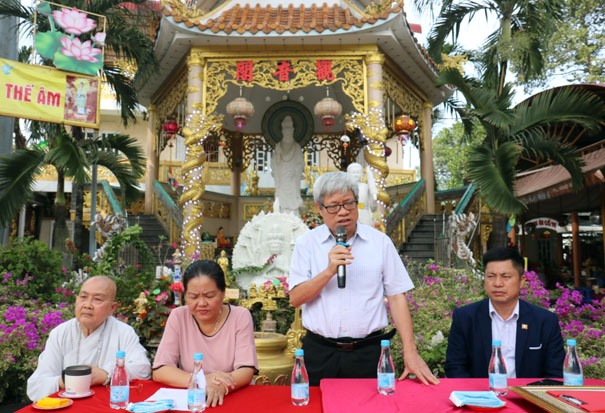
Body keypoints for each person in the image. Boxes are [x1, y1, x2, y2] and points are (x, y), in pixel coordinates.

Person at [289, 171, 439, 386]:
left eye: (349, 203)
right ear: (319, 209)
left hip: (368, 353)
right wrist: (329, 271)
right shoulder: (306, 244)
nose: (343, 212)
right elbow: (295, 298)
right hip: (320, 352)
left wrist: (411, 351)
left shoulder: (380, 243)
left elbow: (397, 297)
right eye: (334, 206)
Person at [445, 247, 565, 378]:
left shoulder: (545, 321)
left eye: (505, 277)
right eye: (491, 276)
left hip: (527, 396)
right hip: (480, 396)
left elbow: (555, 373)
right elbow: (455, 368)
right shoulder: (465, 318)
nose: (497, 283)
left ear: (522, 281)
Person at [27, 276, 151, 402]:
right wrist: (68, 380)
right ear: (76, 300)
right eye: (83, 297)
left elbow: (143, 369)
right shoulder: (60, 333)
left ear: (112, 308)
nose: (87, 305)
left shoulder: (123, 332)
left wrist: (105, 374)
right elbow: (36, 386)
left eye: (97, 299)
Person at [152, 260, 258, 407]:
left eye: (209, 296)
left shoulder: (240, 316)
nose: (201, 303)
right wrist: (201, 380)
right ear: (185, 296)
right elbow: (160, 370)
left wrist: (219, 387)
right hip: (194, 400)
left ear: (223, 293)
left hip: (233, 397)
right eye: (194, 297)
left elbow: (246, 370)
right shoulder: (178, 316)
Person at [270, 115, 305, 215]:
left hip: (292, 177)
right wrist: (277, 155)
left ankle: (293, 214)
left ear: (293, 130)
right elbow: (274, 163)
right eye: (285, 129)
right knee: (281, 197)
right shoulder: (279, 146)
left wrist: (296, 170)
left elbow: (300, 163)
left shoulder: (296, 146)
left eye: (289, 129)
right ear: (282, 131)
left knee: (293, 197)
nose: (287, 132)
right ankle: (281, 212)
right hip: (281, 177)